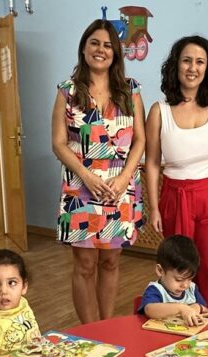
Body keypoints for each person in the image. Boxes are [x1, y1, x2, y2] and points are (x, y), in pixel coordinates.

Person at [51, 19, 146, 324]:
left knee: (110, 261)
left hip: (121, 188)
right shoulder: (67, 92)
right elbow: (58, 143)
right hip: (81, 187)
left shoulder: (130, 91)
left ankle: (107, 327)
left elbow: (140, 140)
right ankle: (90, 332)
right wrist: (88, 176)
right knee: (85, 264)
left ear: (116, 53)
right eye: (94, 43)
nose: (101, 50)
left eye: (107, 45)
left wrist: (122, 179)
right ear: (84, 47)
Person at [144, 35, 208, 314]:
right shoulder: (160, 111)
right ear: (175, 65)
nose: (192, 67)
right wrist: (155, 208)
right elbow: (152, 163)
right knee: (180, 270)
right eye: (186, 60)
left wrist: (204, 162)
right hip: (175, 195)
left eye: (199, 61)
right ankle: (179, 326)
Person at [138, 235, 208, 326]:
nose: (185, 285)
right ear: (160, 270)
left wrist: (198, 307)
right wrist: (181, 308)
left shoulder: (191, 288)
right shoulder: (156, 289)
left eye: (190, 279)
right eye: (179, 279)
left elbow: (207, 312)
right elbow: (149, 309)